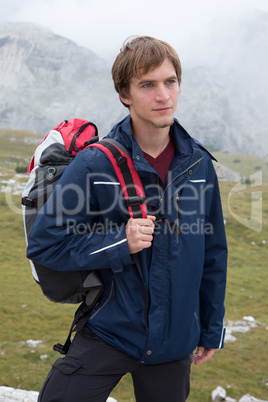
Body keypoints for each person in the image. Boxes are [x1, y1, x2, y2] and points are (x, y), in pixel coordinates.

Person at [27, 36, 228, 402]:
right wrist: (120, 240)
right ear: (125, 94)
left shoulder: (200, 166)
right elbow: (45, 244)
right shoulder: (95, 164)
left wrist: (211, 329)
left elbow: (213, 254)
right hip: (110, 331)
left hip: (174, 343)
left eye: (170, 82)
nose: (163, 95)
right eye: (147, 85)